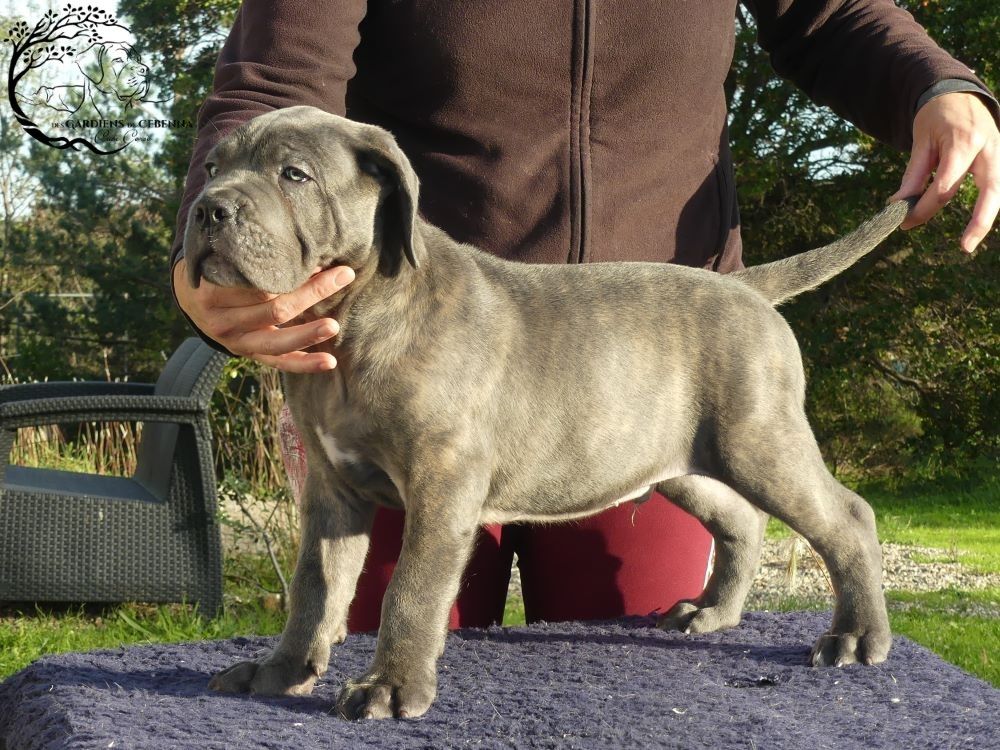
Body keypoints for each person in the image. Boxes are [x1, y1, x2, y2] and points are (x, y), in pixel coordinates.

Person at [171, 1, 999, 630]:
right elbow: (272, 88)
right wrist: (211, 274)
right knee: (379, 692)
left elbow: (833, 16)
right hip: (398, 357)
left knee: (648, 701)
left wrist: (936, 83)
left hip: (648, 365)